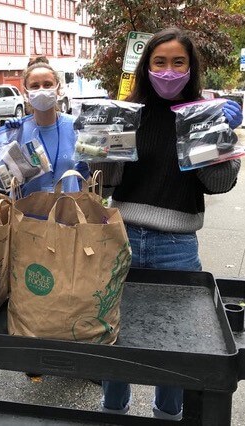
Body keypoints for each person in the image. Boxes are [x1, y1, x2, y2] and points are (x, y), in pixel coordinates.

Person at [98, 27, 242, 420]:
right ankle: (113, 411)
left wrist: (218, 136)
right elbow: (107, 182)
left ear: (191, 67)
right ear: (146, 67)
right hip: (121, 237)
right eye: (159, 62)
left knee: (176, 344)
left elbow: (219, 184)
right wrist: (100, 141)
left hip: (176, 246)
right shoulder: (128, 113)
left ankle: (168, 414)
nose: (168, 71)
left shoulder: (202, 114)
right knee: (114, 333)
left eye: (178, 62)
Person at [3, 56, 89, 194]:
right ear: (26, 92)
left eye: (47, 84)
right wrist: (0, 139)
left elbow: (84, 171)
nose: (41, 90)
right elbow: (4, 179)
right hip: (26, 214)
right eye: (35, 86)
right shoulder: (17, 131)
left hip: (68, 212)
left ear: (57, 88)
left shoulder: (74, 126)